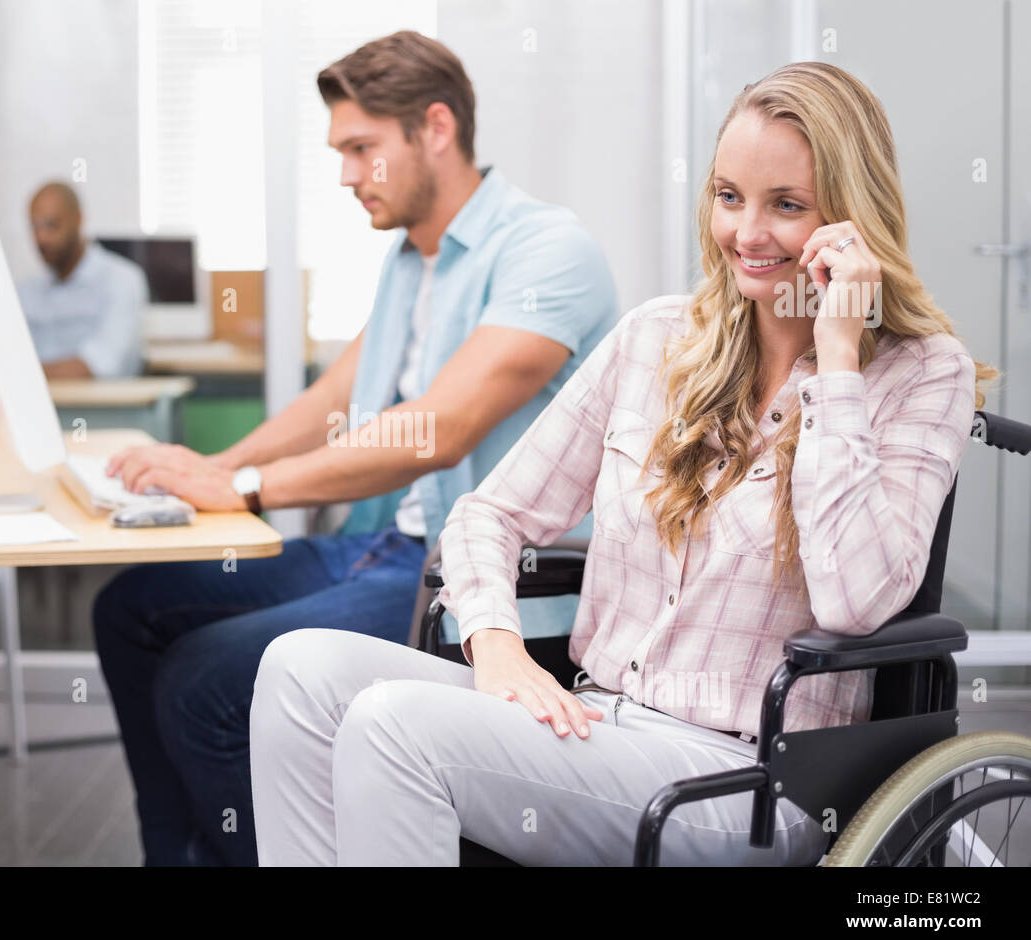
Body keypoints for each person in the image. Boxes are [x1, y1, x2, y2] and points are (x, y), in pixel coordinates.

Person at [249, 61, 1000, 866]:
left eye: (786, 206)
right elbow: (489, 514)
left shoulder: (923, 373)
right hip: (597, 724)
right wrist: (496, 646)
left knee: (393, 726)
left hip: (751, 779)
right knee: (300, 669)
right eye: (728, 197)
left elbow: (857, 603)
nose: (746, 233)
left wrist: (839, 357)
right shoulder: (657, 339)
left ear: (853, 220)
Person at [93, 30, 618, 865]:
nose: (343, 174)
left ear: (435, 128)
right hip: (381, 550)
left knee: (204, 681)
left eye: (360, 149)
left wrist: (252, 486)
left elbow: (437, 432)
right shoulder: (410, 260)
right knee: (130, 608)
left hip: (473, 580)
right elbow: (334, 397)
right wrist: (213, 472)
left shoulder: (549, 253)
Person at [16, 182, 147, 379]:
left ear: (78, 219)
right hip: (37, 403)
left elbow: (102, 363)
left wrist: (22, 374)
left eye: (52, 225)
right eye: (35, 227)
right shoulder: (27, 290)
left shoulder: (121, 280)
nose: (41, 237)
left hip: (102, 407)